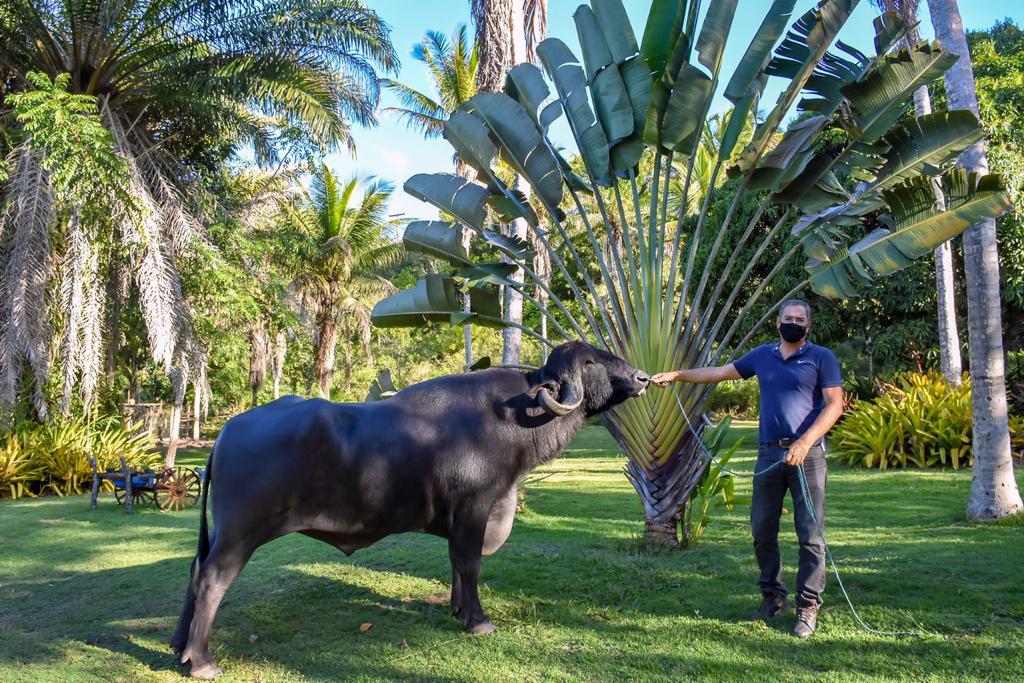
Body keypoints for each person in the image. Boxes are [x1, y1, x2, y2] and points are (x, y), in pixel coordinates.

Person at [651, 299, 844, 638]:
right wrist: (679, 375)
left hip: (809, 456)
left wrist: (805, 442)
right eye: (788, 318)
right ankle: (772, 596)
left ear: (808, 326)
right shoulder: (762, 356)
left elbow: (835, 405)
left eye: (800, 319)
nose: (793, 323)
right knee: (761, 530)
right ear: (778, 323)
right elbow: (720, 373)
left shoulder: (821, 358)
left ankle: (808, 606)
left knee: (810, 534)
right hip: (769, 456)